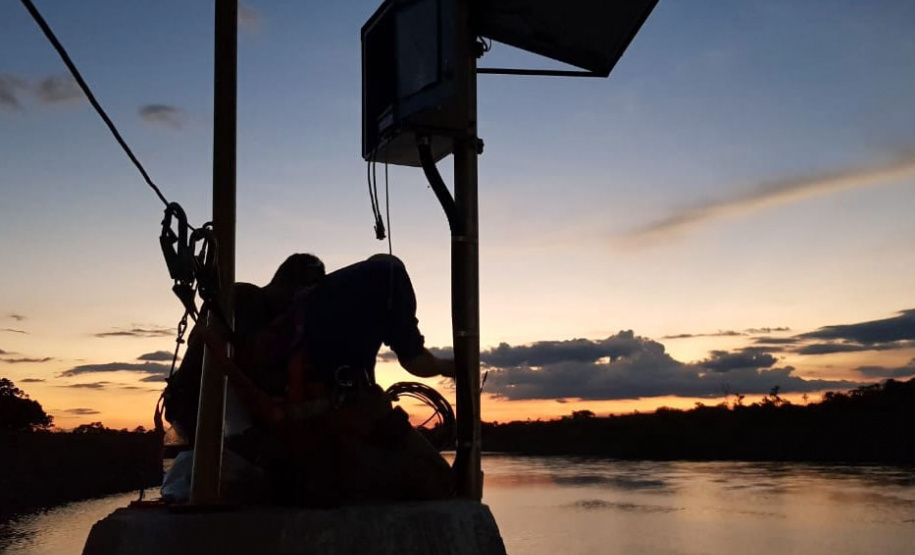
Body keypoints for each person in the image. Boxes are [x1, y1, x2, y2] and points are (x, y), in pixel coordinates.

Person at [163, 253, 455, 505]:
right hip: (231, 435)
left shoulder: (288, 328)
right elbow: (255, 392)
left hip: (239, 435)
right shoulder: (246, 300)